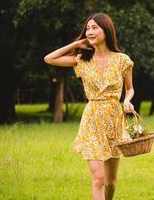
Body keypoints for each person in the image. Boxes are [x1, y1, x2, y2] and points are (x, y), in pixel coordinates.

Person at [44, 12, 135, 200]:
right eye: (88, 28)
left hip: (113, 119)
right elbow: (49, 59)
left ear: (107, 31)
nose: (90, 32)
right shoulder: (82, 60)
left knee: (110, 182)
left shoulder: (122, 60)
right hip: (92, 119)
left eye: (95, 28)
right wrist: (76, 44)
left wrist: (127, 101)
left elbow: (130, 88)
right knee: (98, 179)